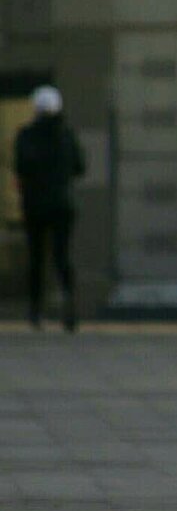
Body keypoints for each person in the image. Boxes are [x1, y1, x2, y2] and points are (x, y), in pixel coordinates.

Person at [15, 85, 85, 331]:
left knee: (36, 258)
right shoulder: (66, 135)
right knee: (62, 256)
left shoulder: (26, 135)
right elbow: (80, 167)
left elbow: (21, 167)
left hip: (35, 205)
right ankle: (69, 303)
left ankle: (35, 310)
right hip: (62, 204)